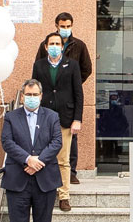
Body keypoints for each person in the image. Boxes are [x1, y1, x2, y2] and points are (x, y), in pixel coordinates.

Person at [1, 79, 62, 222]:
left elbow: (56, 142)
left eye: (36, 95)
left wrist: (38, 161)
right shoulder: (11, 117)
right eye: (29, 95)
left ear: (41, 96)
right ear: (22, 96)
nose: (32, 98)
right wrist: (27, 159)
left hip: (45, 178)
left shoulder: (52, 116)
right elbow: (7, 142)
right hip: (18, 177)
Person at [34, 12, 93, 184]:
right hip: (48, 102)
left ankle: (71, 172)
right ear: (57, 25)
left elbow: (86, 68)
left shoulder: (79, 45)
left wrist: (71, 82)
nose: (65, 29)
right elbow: (39, 70)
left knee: (70, 139)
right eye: (63, 26)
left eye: (68, 26)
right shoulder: (45, 45)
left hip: (67, 101)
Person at [31, 32, 83, 212]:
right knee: (43, 157)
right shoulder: (39, 65)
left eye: (57, 43)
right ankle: (45, 192)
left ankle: (64, 196)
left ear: (62, 46)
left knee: (63, 159)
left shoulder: (73, 65)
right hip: (43, 117)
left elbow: (78, 94)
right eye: (51, 43)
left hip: (66, 118)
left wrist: (77, 119)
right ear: (45, 47)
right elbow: (34, 90)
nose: (54, 46)